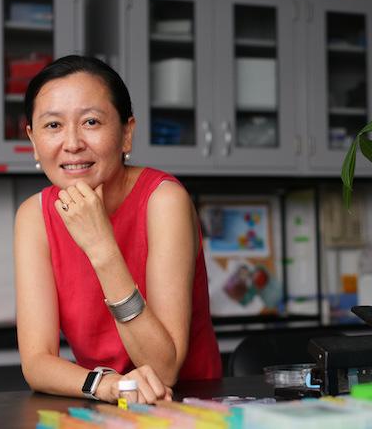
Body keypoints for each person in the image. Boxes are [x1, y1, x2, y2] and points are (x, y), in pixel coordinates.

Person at [14, 55, 221, 404]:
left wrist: (100, 246)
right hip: (106, 407)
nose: (72, 143)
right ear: (33, 141)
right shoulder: (34, 216)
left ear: (126, 133)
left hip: (190, 408)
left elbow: (164, 369)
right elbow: (37, 362)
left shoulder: (164, 201)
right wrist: (106, 385)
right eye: (53, 126)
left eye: (91, 121)